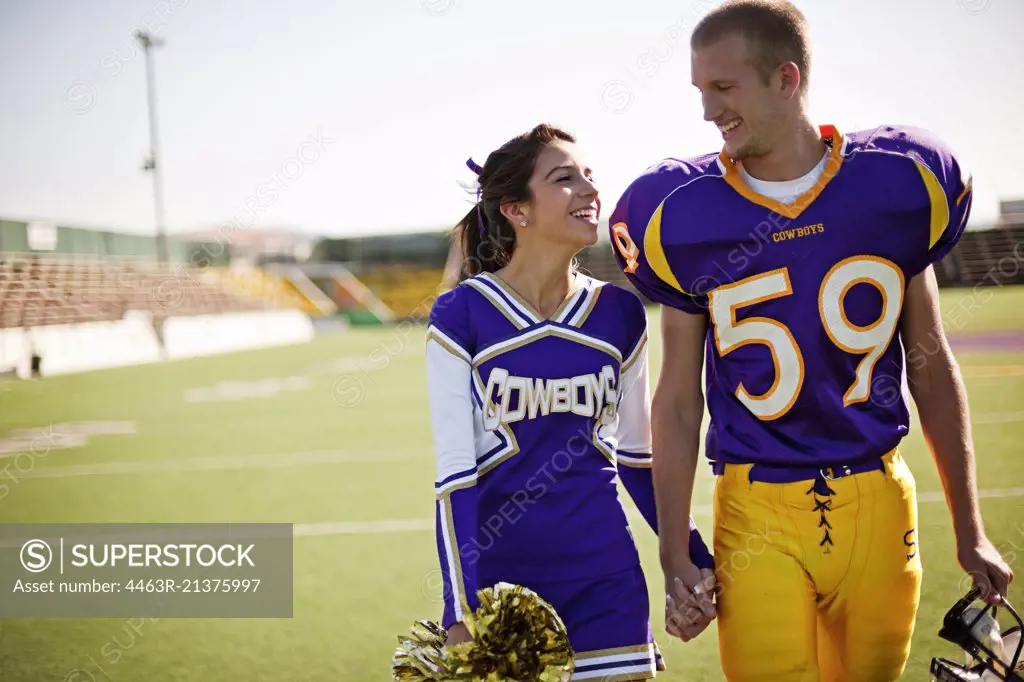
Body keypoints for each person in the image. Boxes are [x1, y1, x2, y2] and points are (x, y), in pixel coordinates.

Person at [607, 2, 1014, 681]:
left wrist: (970, 528)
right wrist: (673, 547)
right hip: (756, 506)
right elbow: (678, 400)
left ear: (785, 79)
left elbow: (931, 365)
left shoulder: (900, 183)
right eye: (700, 90)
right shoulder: (679, 213)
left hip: (879, 502)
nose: (708, 110)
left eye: (723, 87)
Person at [425, 123, 716, 680]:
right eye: (565, 179)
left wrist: (693, 560)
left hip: (606, 578)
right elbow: (455, 476)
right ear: (517, 209)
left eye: (589, 176)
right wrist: (458, 607)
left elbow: (638, 460)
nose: (589, 190)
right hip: (504, 588)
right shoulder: (462, 315)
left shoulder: (619, 313)